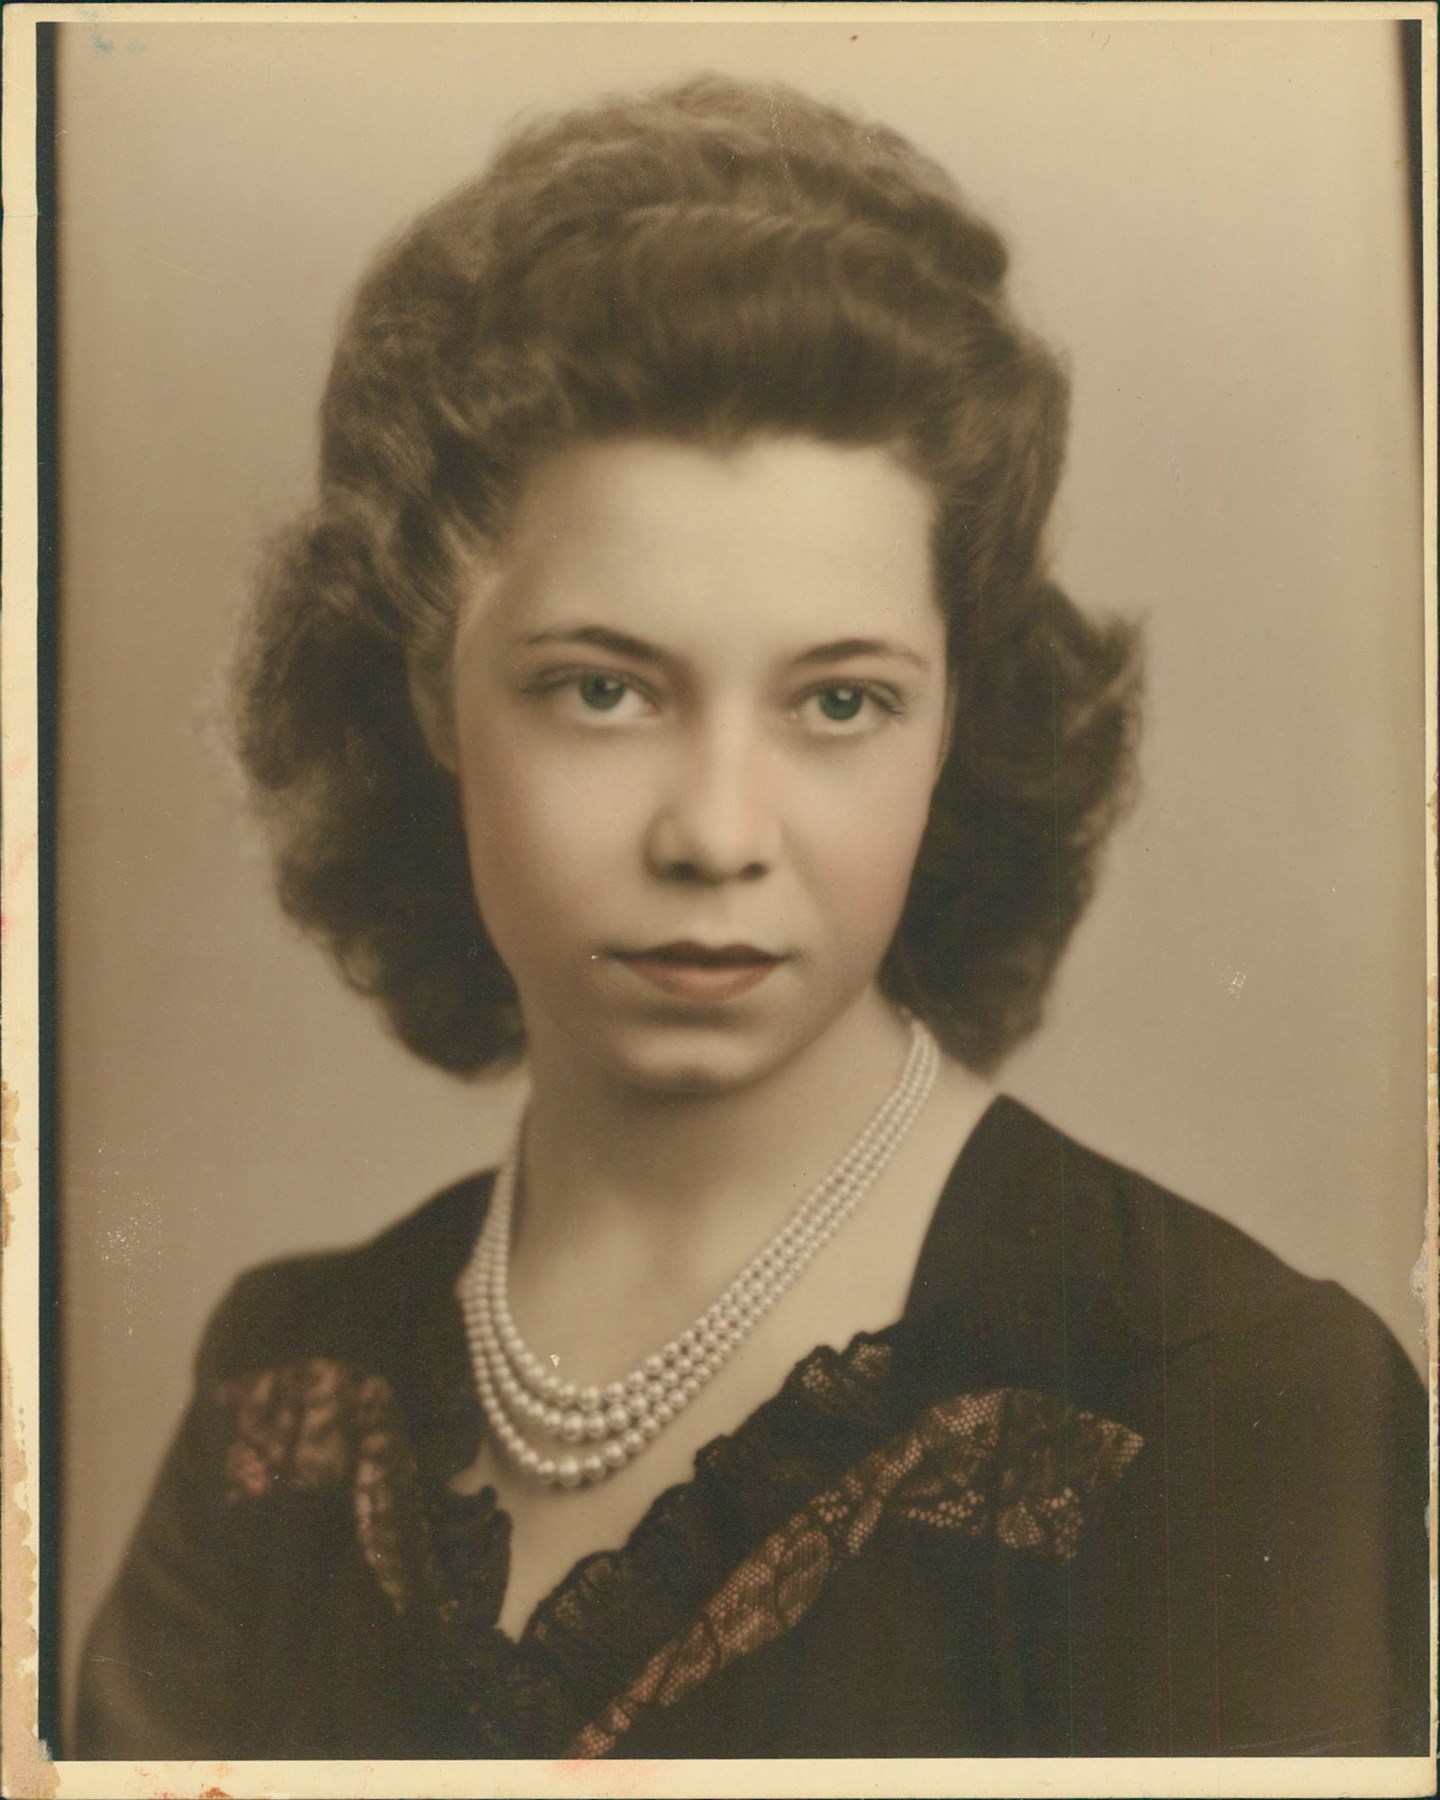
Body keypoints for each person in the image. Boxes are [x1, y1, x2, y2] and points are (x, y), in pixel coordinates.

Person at [75, 74, 1428, 1760]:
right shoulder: (289, 1395)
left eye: (840, 703)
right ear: (432, 694)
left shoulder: (1228, 1406)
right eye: (602, 688)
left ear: (955, 724)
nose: (716, 833)